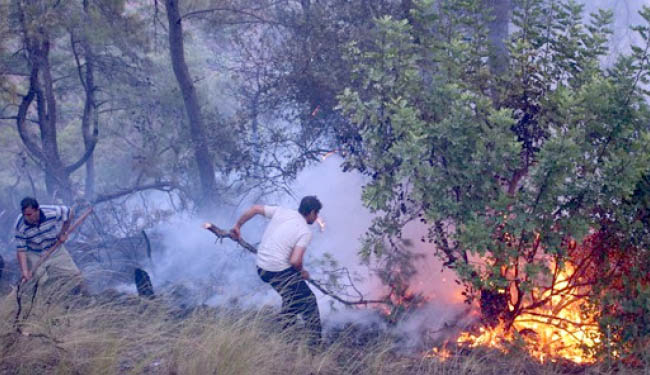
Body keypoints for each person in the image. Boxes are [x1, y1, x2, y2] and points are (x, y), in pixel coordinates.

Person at [230, 196, 322, 344]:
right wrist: (302, 272)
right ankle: (315, 345)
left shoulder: (282, 211)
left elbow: (254, 209)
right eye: (316, 213)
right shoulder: (305, 231)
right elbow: (295, 261)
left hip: (261, 267)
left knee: (291, 297)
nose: (317, 217)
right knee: (309, 301)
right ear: (311, 212)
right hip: (277, 270)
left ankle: (287, 336)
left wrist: (237, 226)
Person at [13, 197, 83, 320]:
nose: (27, 218)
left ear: (37, 210)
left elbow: (69, 213)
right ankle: (43, 311)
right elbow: (21, 251)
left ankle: (79, 302)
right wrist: (24, 271)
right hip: (34, 253)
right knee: (42, 281)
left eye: (29, 214)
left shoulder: (52, 212)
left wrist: (63, 232)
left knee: (75, 275)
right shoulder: (20, 225)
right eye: (25, 215)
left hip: (55, 249)